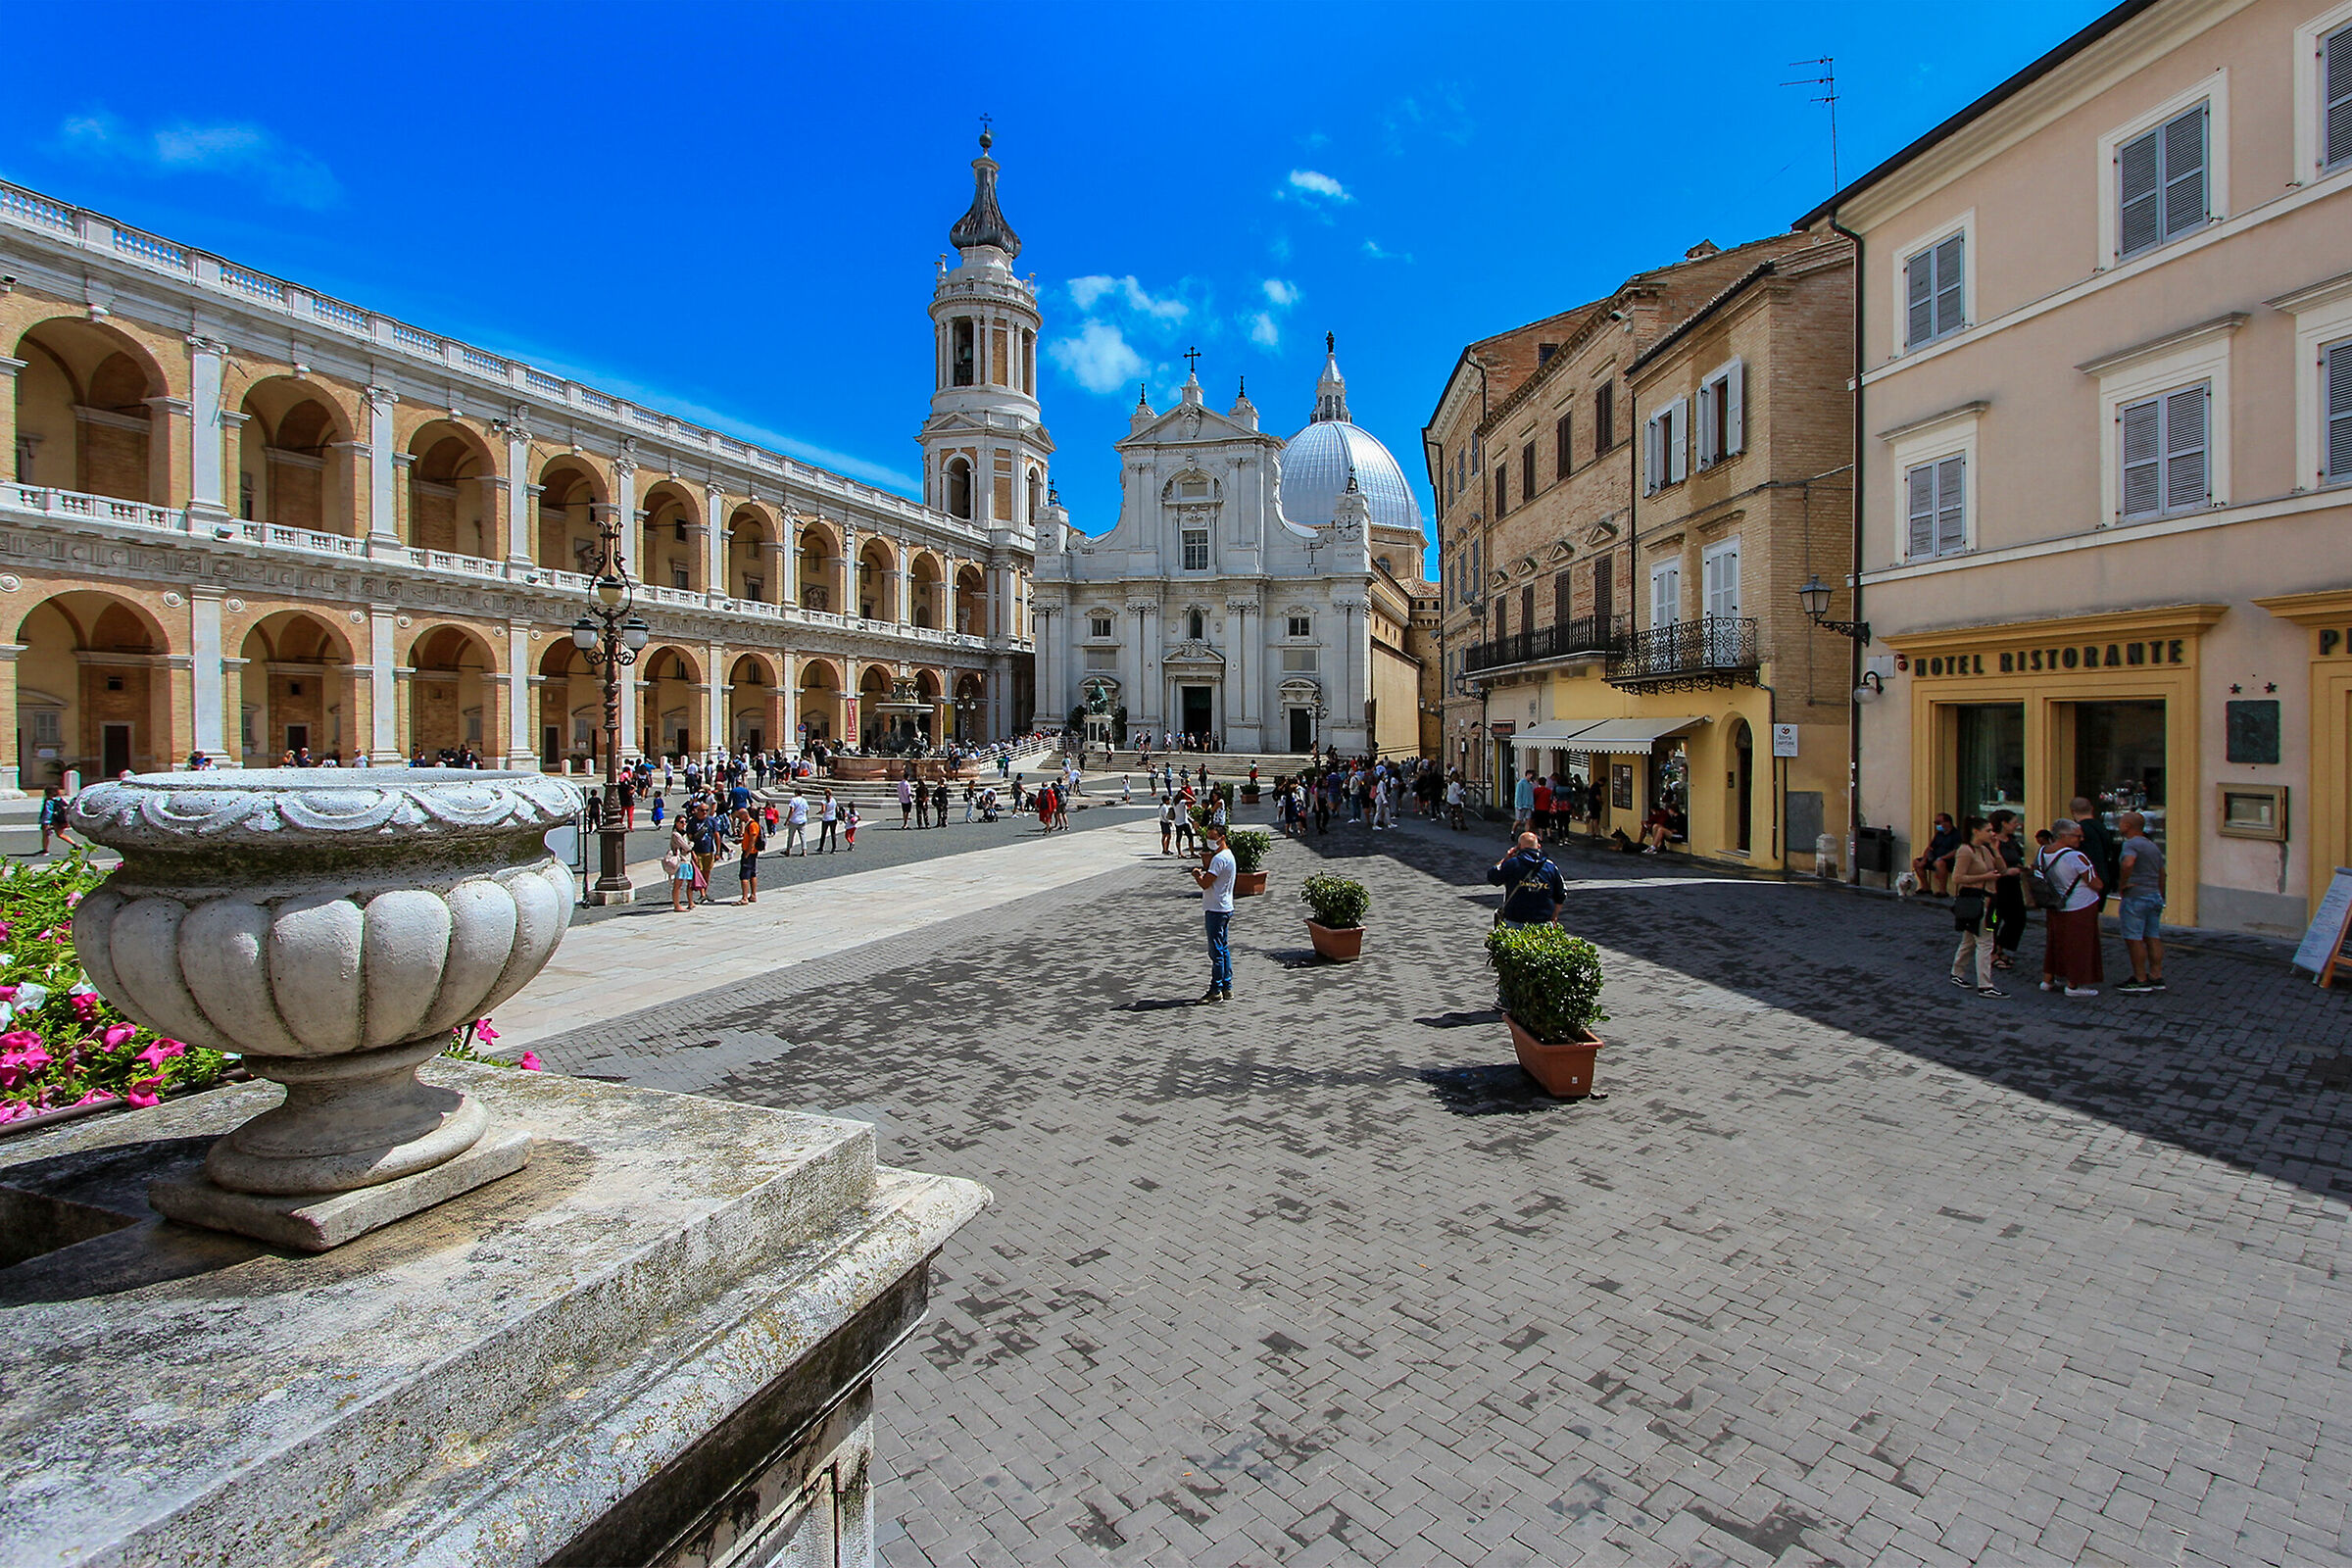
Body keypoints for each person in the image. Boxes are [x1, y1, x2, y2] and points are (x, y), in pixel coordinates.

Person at [2034, 818, 2105, 997]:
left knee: (2055, 942)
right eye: (2077, 836)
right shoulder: (2075, 857)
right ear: (2064, 835)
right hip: (2080, 905)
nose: (2080, 839)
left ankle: (2048, 979)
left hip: (2055, 904)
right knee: (2080, 945)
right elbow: (2096, 884)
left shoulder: (2042, 852)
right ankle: (2074, 984)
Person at [1946, 816, 2008, 998]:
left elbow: (2002, 870)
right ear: (1976, 831)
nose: (1992, 833)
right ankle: (1985, 984)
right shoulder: (1965, 851)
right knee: (1985, 941)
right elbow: (1957, 878)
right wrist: (1985, 877)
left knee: (1970, 939)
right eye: (1988, 830)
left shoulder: (1985, 849)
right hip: (1976, 900)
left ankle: (1957, 972)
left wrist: (1996, 851)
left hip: (1990, 901)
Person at [2114, 810, 2167, 994]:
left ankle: (2140, 978)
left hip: (2136, 896)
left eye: (2121, 822)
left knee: (2134, 938)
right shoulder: (2152, 846)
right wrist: (2160, 893)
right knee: (2153, 936)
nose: (2119, 825)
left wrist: (2122, 883)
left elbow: (2128, 863)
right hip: (2153, 895)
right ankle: (2156, 975)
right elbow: (2162, 873)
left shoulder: (2131, 844)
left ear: (2128, 826)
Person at [1191, 821, 1237, 1004]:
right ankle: (1227, 986)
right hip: (1224, 906)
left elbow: (1205, 883)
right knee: (1223, 949)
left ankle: (1215, 989)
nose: (1209, 841)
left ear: (1222, 837)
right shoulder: (1229, 856)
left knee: (1216, 952)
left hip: (1216, 908)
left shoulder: (1219, 860)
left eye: (1212, 837)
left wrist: (1197, 875)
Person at [1488, 832, 1567, 928]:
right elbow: (1561, 894)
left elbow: (1492, 877)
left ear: (1519, 847)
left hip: (1515, 921)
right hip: (1543, 922)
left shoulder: (1512, 864)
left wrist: (1506, 858)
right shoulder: (1551, 867)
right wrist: (1553, 917)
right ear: (1539, 846)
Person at [1987, 809, 2028, 972]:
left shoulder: (2012, 841)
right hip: (1997, 887)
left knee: (2018, 918)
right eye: (2014, 822)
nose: (2017, 825)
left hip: (2013, 885)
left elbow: (2017, 857)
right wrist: (2006, 871)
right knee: (1995, 919)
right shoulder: (1992, 842)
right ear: (2003, 823)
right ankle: (1992, 952)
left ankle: (2002, 946)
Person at [2072, 796, 2121, 912]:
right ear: (2092, 809)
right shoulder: (2103, 828)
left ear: (2072, 812)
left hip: (2089, 880)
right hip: (2105, 875)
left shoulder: (2079, 831)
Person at [1911, 812, 1963, 896]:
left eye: (1938, 823)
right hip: (1934, 857)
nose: (1937, 825)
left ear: (1947, 823)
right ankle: (1925, 887)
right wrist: (1924, 860)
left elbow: (1957, 850)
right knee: (1916, 862)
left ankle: (1943, 891)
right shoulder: (1939, 834)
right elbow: (1930, 847)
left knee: (1940, 863)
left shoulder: (1956, 835)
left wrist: (1942, 858)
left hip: (1949, 860)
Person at [733, 804, 764, 905]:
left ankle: (744, 897)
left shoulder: (752, 824)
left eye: (740, 816)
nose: (739, 819)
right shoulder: (750, 824)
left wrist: (747, 852)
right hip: (751, 852)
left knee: (744, 875)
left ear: (745, 815)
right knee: (752, 874)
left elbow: (753, 839)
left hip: (750, 853)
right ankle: (753, 895)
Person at [665, 820, 697, 913]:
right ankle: (677, 905)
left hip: (687, 860)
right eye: (681, 822)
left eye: (685, 822)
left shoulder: (684, 834)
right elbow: (686, 847)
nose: (684, 824)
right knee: (678, 884)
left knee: (690, 882)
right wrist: (691, 844)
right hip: (681, 861)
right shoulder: (676, 835)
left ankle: (691, 902)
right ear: (676, 823)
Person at [37, 786, 74, 855]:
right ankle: (75, 844)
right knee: (60, 834)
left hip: (52, 821)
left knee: (45, 835)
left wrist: (46, 822)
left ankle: (45, 850)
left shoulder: (49, 801)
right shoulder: (60, 800)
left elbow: (48, 812)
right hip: (61, 820)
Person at [782, 787, 809, 857]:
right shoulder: (804, 800)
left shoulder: (793, 800)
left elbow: (791, 810)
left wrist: (787, 820)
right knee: (803, 836)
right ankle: (804, 850)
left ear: (796, 793)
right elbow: (807, 810)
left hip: (794, 820)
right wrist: (805, 817)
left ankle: (788, 850)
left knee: (791, 836)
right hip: (802, 820)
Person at [816, 788, 839, 853]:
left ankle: (821, 848)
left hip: (826, 819)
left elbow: (823, 810)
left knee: (823, 834)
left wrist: (819, 812)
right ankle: (834, 848)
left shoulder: (823, 801)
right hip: (833, 819)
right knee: (833, 833)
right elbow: (836, 809)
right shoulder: (834, 800)